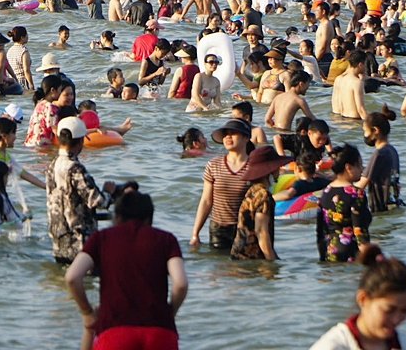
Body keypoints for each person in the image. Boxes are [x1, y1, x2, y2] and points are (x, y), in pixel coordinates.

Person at [66, 190, 187, 350]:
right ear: (149, 219)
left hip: (114, 333)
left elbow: (72, 277)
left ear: (117, 217)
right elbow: (181, 284)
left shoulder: (101, 238)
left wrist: (87, 313)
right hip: (160, 332)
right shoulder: (167, 239)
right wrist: (169, 313)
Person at [309, 244, 406, 350]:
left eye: (404, 310)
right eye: (389, 310)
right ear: (363, 298)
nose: (396, 319)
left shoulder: (403, 344)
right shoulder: (333, 346)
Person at [46, 115, 117, 263]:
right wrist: (108, 192)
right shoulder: (75, 168)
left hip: (58, 240)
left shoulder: (52, 166)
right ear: (80, 141)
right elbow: (98, 201)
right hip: (79, 240)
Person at [189, 119, 253, 251]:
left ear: (246, 137)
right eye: (226, 134)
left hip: (246, 228)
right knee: (218, 262)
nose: (228, 137)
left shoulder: (254, 167)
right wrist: (195, 233)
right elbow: (206, 201)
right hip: (218, 228)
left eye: (233, 133)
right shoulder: (214, 164)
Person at [230, 145, 292, 261]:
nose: (278, 171)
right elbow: (261, 231)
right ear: (270, 171)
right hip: (251, 258)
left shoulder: (252, 190)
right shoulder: (264, 195)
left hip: (239, 254)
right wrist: (271, 260)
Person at [317, 144, 371, 262]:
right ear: (348, 167)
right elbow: (360, 232)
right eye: (359, 165)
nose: (362, 169)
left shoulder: (325, 192)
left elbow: (320, 231)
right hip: (350, 253)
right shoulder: (356, 193)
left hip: (329, 252)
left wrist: (323, 256)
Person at [356, 109, 401, 213]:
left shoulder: (378, 153)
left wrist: (339, 185)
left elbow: (361, 185)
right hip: (393, 204)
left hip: (380, 208)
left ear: (375, 130)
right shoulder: (392, 151)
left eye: (365, 131)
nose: (365, 135)